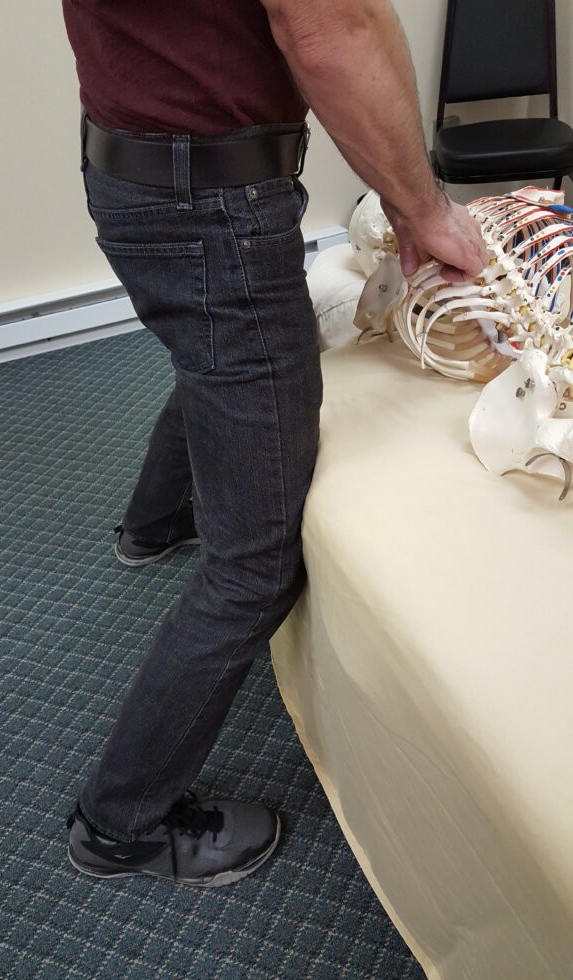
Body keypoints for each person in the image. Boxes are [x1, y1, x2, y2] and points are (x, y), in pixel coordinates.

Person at [63, 0, 487, 887]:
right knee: (255, 561)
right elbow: (335, 27)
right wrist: (423, 208)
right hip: (208, 199)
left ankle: (153, 524)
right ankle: (122, 822)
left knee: (214, 354)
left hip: (129, 162)